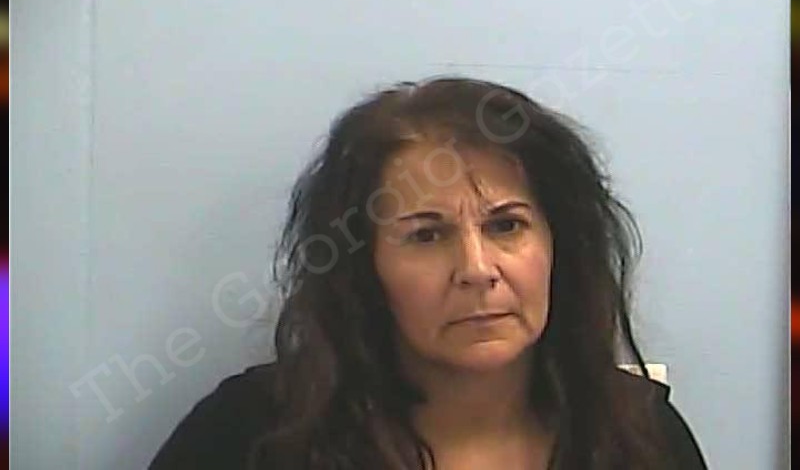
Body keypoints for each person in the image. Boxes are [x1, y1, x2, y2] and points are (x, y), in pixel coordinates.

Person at [150, 77, 708, 469]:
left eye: (506, 226)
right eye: (426, 235)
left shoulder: (640, 436)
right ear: (363, 269)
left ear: (559, 244)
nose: (477, 270)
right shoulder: (253, 434)